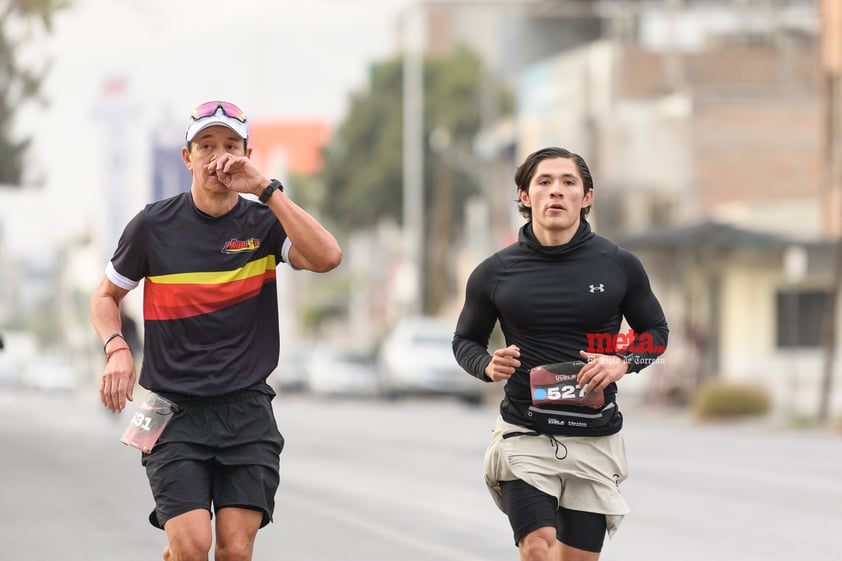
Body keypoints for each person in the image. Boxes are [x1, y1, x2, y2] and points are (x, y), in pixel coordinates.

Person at [90, 100, 342, 561]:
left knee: (234, 551)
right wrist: (117, 349)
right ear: (187, 157)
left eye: (230, 145)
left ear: (247, 152)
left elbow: (327, 257)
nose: (217, 156)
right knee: (191, 546)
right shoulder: (151, 225)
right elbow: (104, 296)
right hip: (172, 408)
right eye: (206, 145)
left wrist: (266, 190)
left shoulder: (264, 223)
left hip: (245, 410)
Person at [452, 147, 668, 561]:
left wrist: (622, 361)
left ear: (586, 197)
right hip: (526, 430)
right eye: (544, 182)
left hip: (595, 434)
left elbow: (655, 333)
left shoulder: (619, 265)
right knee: (537, 548)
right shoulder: (494, 272)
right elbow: (466, 340)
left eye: (568, 183)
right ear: (524, 196)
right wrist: (486, 364)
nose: (556, 192)